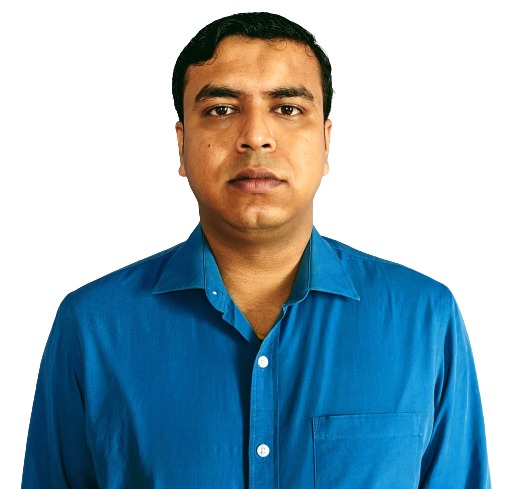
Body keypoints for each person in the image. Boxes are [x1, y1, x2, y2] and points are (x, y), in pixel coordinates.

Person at [22, 11, 491, 488]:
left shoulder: (424, 318)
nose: (255, 137)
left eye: (287, 108)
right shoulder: (94, 326)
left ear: (326, 142)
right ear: (182, 145)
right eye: (221, 109)